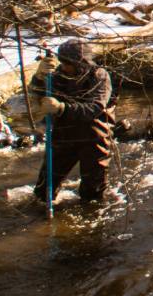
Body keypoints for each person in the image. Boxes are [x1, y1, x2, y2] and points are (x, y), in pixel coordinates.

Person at [29, 39, 117, 208]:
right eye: (62, 62)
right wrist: (39, 77)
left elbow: (95, 108)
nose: (64, 66)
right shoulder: (59, 75)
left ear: (81, 62)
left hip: (94, 137)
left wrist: (61, 108)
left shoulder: (99, 76)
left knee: (92, 196)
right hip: (64, 135)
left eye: (68, 63)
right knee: (43, 192)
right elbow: (39, 93)